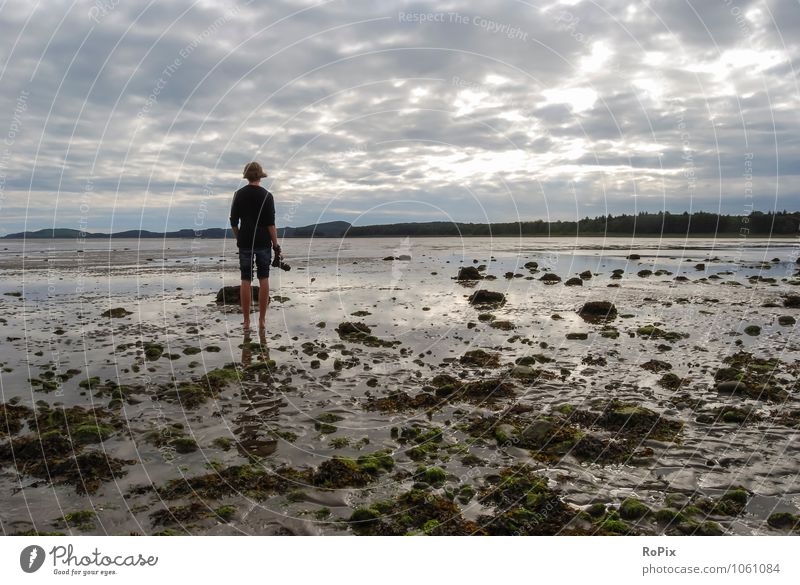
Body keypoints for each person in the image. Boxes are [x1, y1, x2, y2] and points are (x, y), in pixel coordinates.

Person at [229, 161, 280, 332]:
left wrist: (239, 238)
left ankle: (246, 321)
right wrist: (276, 245)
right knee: (264, 278)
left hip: (245, 241)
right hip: (263, 241)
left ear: (246, 175)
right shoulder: (267, 196)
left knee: (245, 279)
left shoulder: (238, 195)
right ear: (260, 176)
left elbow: (233, 222)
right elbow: (270, 224)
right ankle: (262, 320)